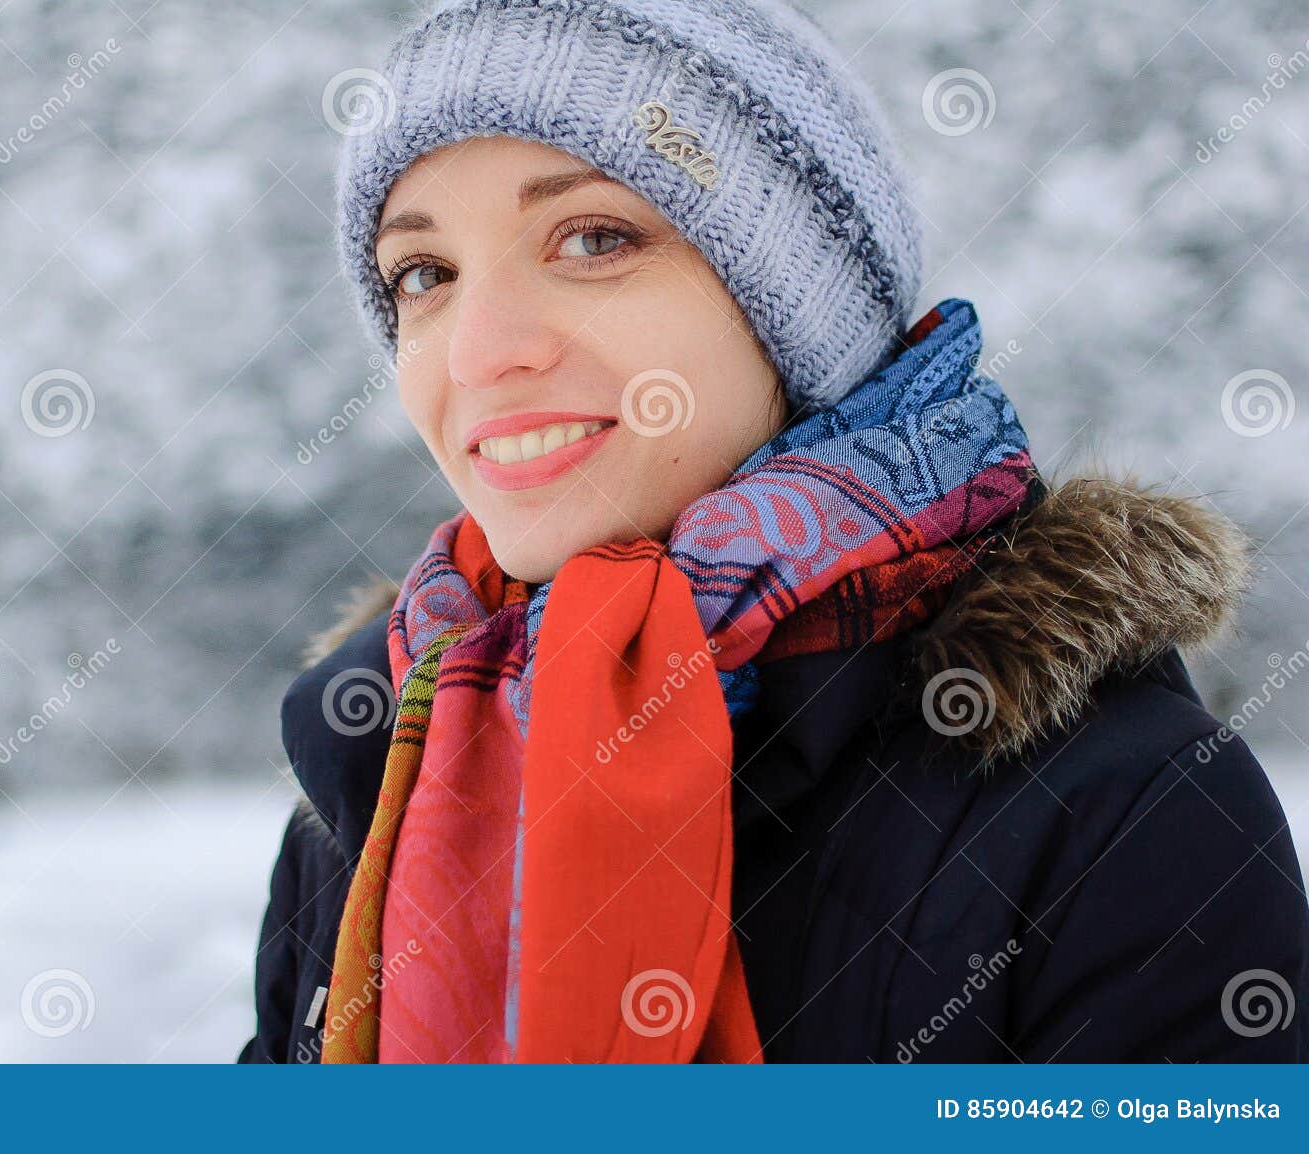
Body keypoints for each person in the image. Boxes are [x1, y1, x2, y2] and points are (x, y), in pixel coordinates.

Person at [240, 0, 1308, 1063]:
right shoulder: (379, 778)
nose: (475, 351)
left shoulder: (1115, 812)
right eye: (425, 274)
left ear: (799, 313)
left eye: (595, 237)